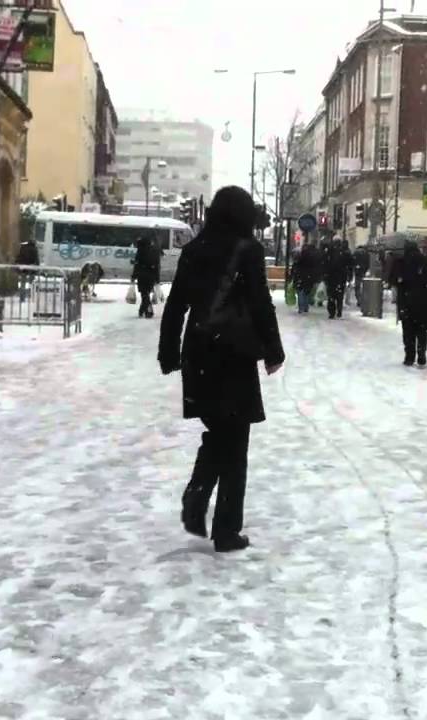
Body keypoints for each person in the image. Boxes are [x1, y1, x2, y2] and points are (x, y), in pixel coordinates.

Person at [159, 186, 285, 553]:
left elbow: (177, 304)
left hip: (198, 353)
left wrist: (168, 351)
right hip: (233, 352)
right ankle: (224, 527)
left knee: (219, 429)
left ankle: (198, 497)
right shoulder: (248, 250)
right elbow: (261, 303)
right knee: (235, 441)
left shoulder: (194, 250)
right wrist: (273, 350)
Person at [391, 241, 427, 367]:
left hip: (406, 303)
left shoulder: (400, 263)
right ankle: (421, 354)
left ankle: (409, 356)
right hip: (424, 303)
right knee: (422, 330)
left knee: (408, 331)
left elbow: (393, 280)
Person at [131, 235, 162, 318]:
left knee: (144, 294)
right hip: (151, 275)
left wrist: (133, 276)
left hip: (142, 275)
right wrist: (157, 278)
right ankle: (142, 310)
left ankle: (148, 311)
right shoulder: (154, 251)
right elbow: (157, 265)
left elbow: (137, 265)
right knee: (146, 293)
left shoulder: (140, 251)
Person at [324, 239, 353, 319]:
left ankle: (331, 312)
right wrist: (349, 276)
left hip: (331, 277)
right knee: (340, 295)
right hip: (341, 277)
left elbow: (325, 263)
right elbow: (350, 264)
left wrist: (325, 275)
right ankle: (339, 310)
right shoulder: (345, 253)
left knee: (331, 295)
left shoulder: (329, 252)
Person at [293, 242, 321, 313]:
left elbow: (296, 266)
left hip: (300, 276)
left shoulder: (300, 256)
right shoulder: (311, 257)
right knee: (306, 292)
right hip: (308, 277)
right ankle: (306, 307)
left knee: (300, 292)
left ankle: (301, 307)